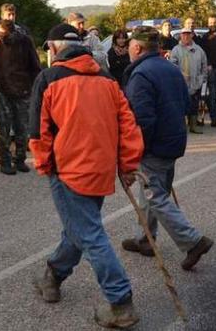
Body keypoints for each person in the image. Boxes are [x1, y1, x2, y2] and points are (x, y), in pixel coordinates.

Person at [29, 24, 143, 329]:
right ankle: (53, 276)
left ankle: (120, 302)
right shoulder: (107, 78)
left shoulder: (48, 78)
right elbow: (128, 125)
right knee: (79, 227)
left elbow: (38, 131)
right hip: (101, 168)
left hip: (68, 170)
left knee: (90, 235)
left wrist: (44, 164)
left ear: (53, 49)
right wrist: (128, 164)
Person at [121, 26, 213, 270]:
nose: (129, 49)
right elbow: (187, 105)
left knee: (156, 196)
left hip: (154, 146)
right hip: (174, 141)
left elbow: (142, 120)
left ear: (137, 48)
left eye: (131, 45)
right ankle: (145, 239)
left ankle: (193, 241)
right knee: (151, 192)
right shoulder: (171, 68)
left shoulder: (140, 74)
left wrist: (134, 152)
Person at [0, 19, 42, 175]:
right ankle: (4, 161)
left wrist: (34, 86)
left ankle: (20, 159)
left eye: (4, 35)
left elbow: (35, 65)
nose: (1, 37)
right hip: (2, 90)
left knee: (22, 126)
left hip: (23, 89)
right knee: (3, 126)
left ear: (12, 32)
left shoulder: (24, 42)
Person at [169, 27, 208, 134]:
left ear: (192, 35)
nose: (186, 36)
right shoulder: (176, 50)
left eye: (188, 34)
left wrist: (202, 78)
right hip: (181, 84)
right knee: (181, 105)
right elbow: (172, 65)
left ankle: (193, 125)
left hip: (195, 83)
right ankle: (181, 126)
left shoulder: (199, 50)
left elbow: (204, 65)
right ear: (181, 36)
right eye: (184, 34)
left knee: (194, 105)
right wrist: (181, 74)